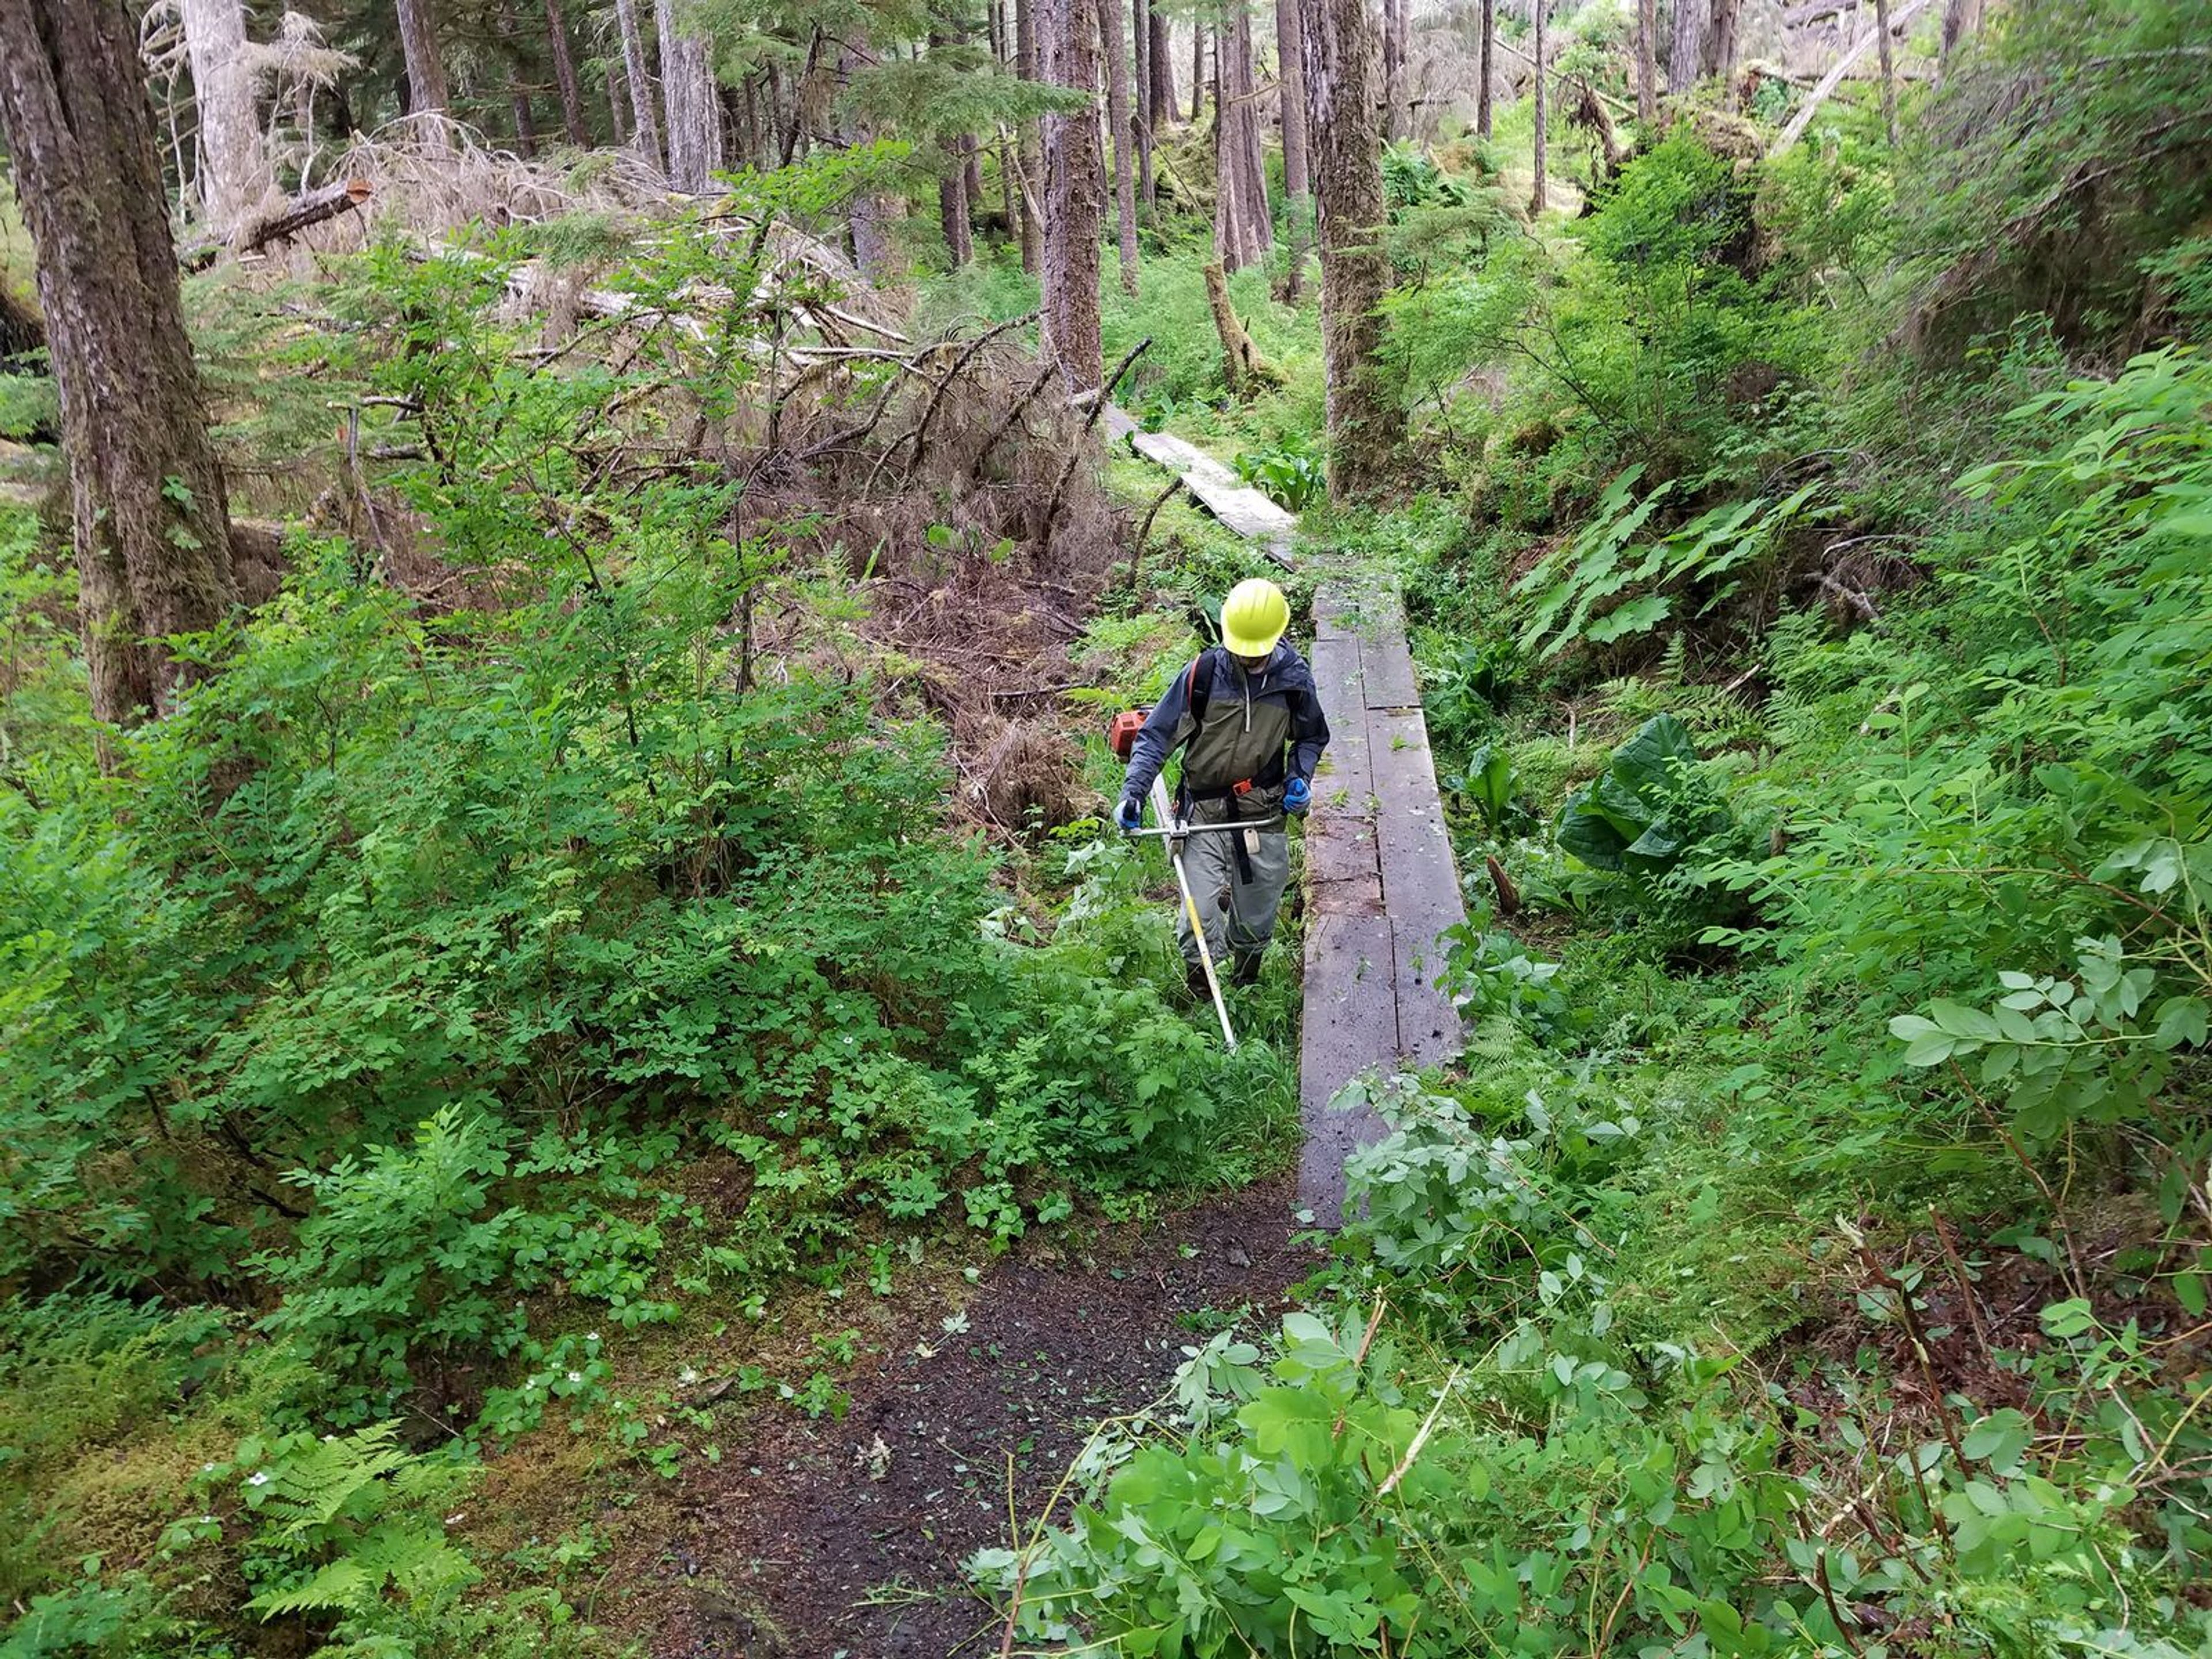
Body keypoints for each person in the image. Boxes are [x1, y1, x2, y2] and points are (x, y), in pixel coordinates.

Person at [1114, 578, 1330, 997]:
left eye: (1257, 652)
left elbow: (1311, 737)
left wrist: (1299, 777)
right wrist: (1133, 793)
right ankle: (1202, 994)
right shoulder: (1205, 675)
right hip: (1204, 814)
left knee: (1258, 912)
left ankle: (1245, 987)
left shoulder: (1295, 681)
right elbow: (1156, 736)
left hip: (1263, 809)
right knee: (1198, 914)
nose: (1249, 660)